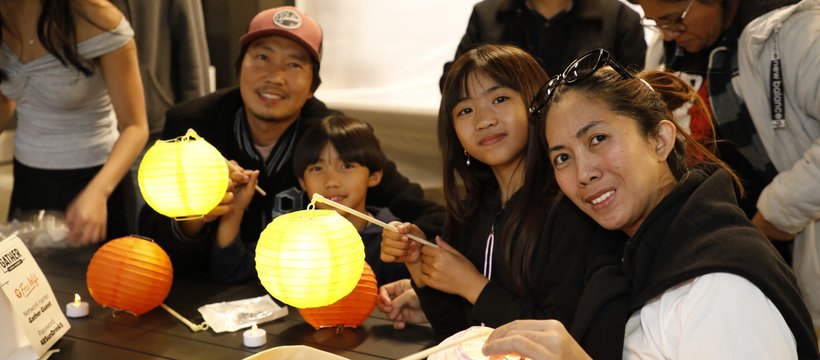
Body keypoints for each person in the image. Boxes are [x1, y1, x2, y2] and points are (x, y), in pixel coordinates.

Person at [481, 49, 818, 359]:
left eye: (597, 139)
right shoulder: (624, 256)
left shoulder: (720, 285)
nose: (583, 173)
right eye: (563, 158)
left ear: (660, 140)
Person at [138, 6, 443, 283]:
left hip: (311, 298)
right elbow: (151, 234)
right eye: (262, 57)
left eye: (294, 65)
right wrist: (198, 215)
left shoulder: (332, 138)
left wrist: (406, 239)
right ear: (239, 67)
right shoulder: (194, 127)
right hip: (208, 295)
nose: (275, 77)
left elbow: (425, 214)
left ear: (313, 87)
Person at [379, 44, 609, 340]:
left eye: (499, 99)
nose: (483, 120)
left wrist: (472, 285)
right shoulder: (470, 209)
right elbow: (457, 333)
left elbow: (561, 337)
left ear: (535, 103)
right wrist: (419, 267)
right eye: (465, 110)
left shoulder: (568, 206)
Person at [638, 0, 820, 330]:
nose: (667, 32)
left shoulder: (797, 34)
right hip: (704, 256)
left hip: (786, 248)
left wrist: (779, 211)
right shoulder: (666, 49)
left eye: (674, 19)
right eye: (655, 22)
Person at [0, 0, 149, 245]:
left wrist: (98, 192)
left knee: (101, 281)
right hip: (28, 181)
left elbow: (135, 126)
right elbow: (7, 101)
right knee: (29, 281)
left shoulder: (98, 19)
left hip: (96, 181)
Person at [293, 114, 410, 285]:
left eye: (346, 166)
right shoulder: (295, 238)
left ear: (373, 176)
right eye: (317, 168)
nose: (331, 182)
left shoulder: (391, 241)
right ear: (302, 182)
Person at [440, 0, 647, 89]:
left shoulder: (620, 19)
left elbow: (637, 94)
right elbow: (452, 82)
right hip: (509, 151)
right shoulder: (487, 16)